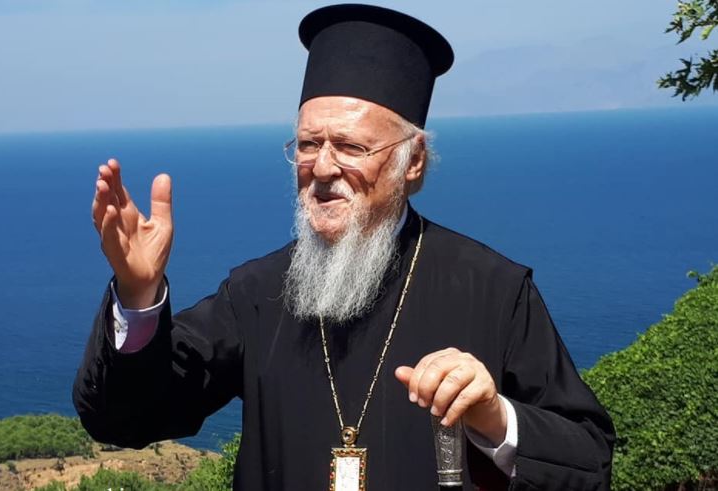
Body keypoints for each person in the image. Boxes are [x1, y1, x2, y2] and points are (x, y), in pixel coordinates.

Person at [73, 4, 614, 490]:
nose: (323, 168)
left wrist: (493, 415)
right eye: (309, 144)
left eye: (351, 146)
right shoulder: (255, 293)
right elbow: (124, 419)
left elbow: (590, 460)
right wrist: (138, 293)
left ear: (413, 162)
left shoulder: (493, 289)